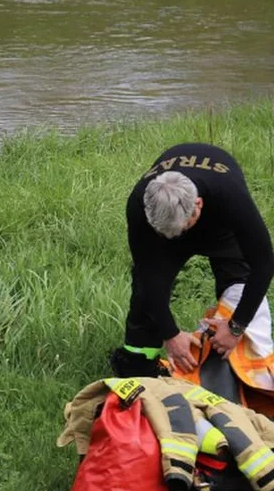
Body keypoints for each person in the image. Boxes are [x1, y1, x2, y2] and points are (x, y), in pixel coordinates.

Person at [112, 143, 274, 389]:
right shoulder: (139, 202)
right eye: (165, 232)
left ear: (198, 205)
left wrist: (235, 327)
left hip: (220, 226)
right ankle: (138, 364)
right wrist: (171, 334)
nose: (174, 237)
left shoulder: (230, 197)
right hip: (167, 224)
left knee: (240, 282)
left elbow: (263, 263)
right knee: (146, 291)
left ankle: (253, 373)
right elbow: (148, 274)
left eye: (180, 230)